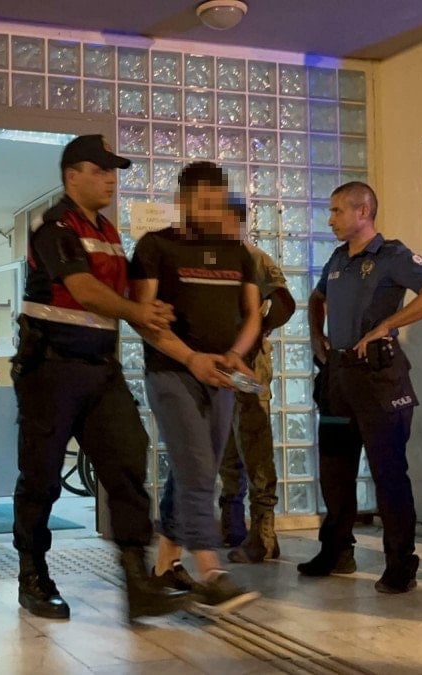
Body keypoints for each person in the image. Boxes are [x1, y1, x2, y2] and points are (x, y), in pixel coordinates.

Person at [12, 134, 191, 621]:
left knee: (128, 462)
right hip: (51, 370)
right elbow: (85, 290)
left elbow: (124, 292)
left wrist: (157, 307)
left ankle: (137, 581)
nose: (111, 179)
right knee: (41, 478)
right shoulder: (54, 225)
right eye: (100, 170)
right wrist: (139, 312)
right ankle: (33, 575)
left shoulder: (108, 230)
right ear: (72, 176)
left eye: (113, 171)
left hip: (99, 370)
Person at [302, 181, 422, 594]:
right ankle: (336, 551)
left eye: (337, 211)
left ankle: (401, 564)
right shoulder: (337, 259)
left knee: (388, 474)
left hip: (378, 377)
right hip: (339, 377)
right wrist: (317, 337)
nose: (330, 219)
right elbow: (316, 299)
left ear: (363, 211)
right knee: (335, 470)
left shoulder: (393, 256)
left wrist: (386, 325)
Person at [130, 161, 263, 612]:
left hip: (221, 376)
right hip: (172, 373)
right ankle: (211, 571)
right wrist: (191, 358)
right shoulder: (155, 246)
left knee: (191, 468)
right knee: (199, 468)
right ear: (182, 201)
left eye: (218, 203)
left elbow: (253, 314)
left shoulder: (237, 252)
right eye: (203, 203)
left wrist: (236, 354)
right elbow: (143, 318)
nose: (211, 212)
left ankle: (165, 564)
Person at [218, 199, 296, 563]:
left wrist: (260, 328)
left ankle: (264, 533)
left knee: (254, 444)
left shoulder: (252, 257)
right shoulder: (212, 259)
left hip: (249, 365)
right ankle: (232, 525)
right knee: (226, 448)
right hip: (220, 365)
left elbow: (284, 301)